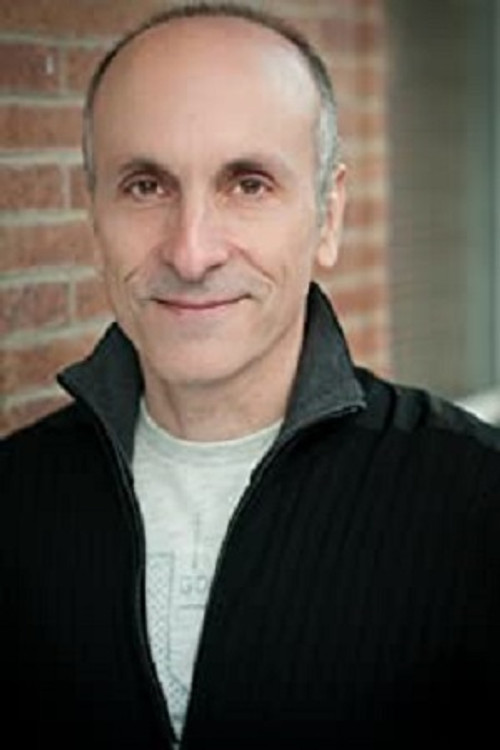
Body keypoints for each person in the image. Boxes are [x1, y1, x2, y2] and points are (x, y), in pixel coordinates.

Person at [1, 3, 500, 748]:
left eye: (249, 184)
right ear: (95, 216)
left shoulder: (477, 503)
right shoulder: (13, 500)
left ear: (328, 215)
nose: (191, 252)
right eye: (146, 185)